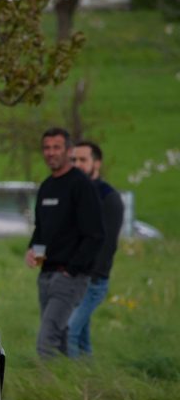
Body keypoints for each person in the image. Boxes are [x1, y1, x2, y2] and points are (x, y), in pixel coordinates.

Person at [25, 127, 104, 359]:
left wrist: (72, 270)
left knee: (45, 342)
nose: (51, 153)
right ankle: (73, 384)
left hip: (69, 277)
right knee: (59, 341)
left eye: (56, 147)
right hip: (46, 276)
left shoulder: (81, 186)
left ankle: (45, 392)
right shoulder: (47, 186)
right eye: (46, 148)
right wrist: (34, 254)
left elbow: (96, 234)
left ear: (68, 151)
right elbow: (42, 230)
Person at [66, 140, 123, 357]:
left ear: (96, 164)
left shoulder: (109, 198)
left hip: (92, 279)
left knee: (68, 331)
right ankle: (87, 378)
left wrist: (86, 274)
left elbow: (106, 245)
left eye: (83, 160)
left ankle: (66, 384)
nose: (77, 164)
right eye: (73, 160)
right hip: (71, 276)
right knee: (81, 338)